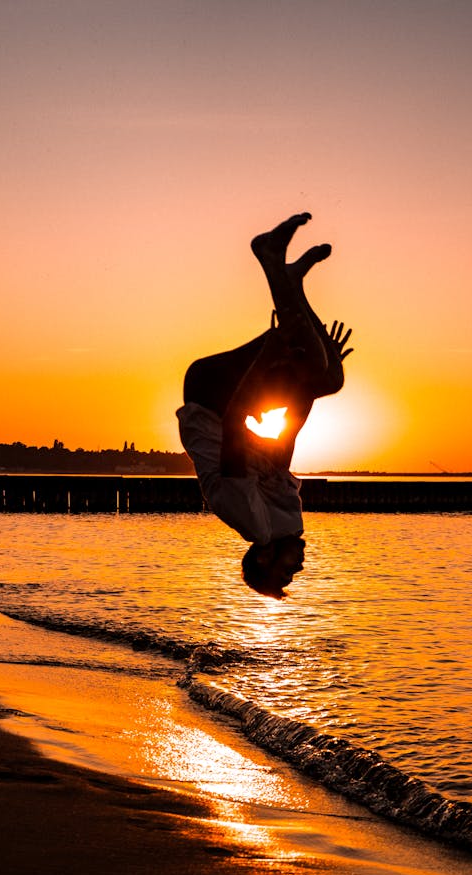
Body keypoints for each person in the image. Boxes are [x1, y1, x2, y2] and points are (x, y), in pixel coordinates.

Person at [177, 213, 352, 598]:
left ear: (262, 558)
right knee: (328, 376)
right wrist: (319, 377)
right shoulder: (284, 517)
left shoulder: (251, 520)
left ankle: (269, 257)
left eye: (287, 574)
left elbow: (235, 421)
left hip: (209, 395)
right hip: (226, 400)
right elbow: (288, 436)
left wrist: (269, 354)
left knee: (313, 364)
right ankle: (292, 283)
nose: (300, 567)